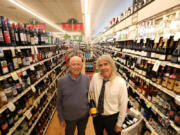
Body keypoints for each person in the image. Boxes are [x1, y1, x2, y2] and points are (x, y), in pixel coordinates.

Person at [89, 54, 128, 135]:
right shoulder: (95, 77)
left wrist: (119, 124)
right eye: (100, 65)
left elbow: (123, 105)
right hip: (97, 117)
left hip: (112, 118)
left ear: (112, 65)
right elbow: (90, 93)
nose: (103, 68)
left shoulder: (120, 82)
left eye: (106, 64)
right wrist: (91, 107)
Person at [57, 56, 89, 135]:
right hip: (69, 117)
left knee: (82, 132)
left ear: (82, 65)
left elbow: (88, 96)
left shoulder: (86, 78)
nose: (76, 67)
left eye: (78, 64)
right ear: (69, 66)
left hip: (84, 116)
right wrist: (61, 118)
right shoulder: (62, 81)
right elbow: (59, 102)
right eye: (73, 64)